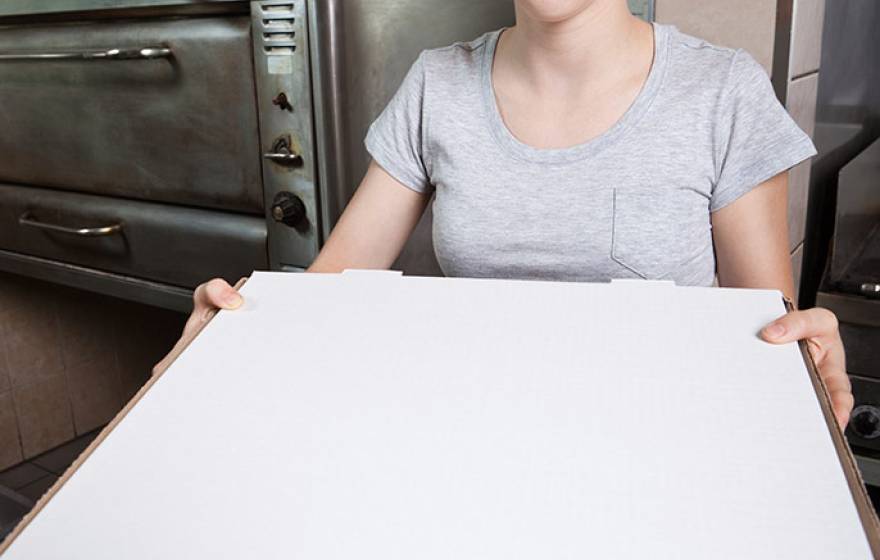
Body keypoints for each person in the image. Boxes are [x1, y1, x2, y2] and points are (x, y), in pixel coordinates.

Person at [155, 0, 853, 428]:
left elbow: (763, 327)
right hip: (469, 428)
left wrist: (803, 359)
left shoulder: (723, 90)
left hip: (658, 439)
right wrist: (240, 329)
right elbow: (328, 290)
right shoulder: (436, 82)